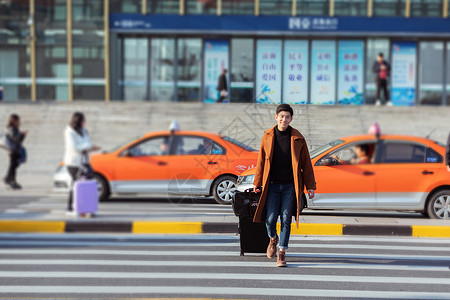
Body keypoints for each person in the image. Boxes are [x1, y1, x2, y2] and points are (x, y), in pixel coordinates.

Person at [252, 104, 316, 267]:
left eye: (287, 117)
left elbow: (306, 163)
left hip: (289, 186)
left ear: (291, 119)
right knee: (270, 218)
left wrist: (310, 185)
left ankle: (282, 252)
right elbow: (260, 161)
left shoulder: (298, 138)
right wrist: (257, 182)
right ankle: (273, 238)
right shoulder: (267, 136)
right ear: (276, 117)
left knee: (286, 218)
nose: (284, 119)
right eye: (281, 116)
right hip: (272, 185)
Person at [64, 112, 100, 214]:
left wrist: (91, 147)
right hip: (73, 163)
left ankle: (83, 207)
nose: (85, 122)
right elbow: (75, 148)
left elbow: (87, 143)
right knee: (76, 184)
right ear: (78, 121)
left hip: (84, 162)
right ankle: (71, 208)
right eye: (84, 120)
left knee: (85, 183)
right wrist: (87, 146)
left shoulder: (83, 131)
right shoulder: (69, 132)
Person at [4, 114, 27, 189]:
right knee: (13, 166)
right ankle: (11, 181)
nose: (19, 122)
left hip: (15, 150)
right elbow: (15, 140)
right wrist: (22, 135)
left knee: (14, 166)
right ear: (14, 121)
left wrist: (22, 135)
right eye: (17, 120)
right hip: (13, 150)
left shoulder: (15, 129)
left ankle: (8, 179)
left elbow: (18, 141)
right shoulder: (10, 129)